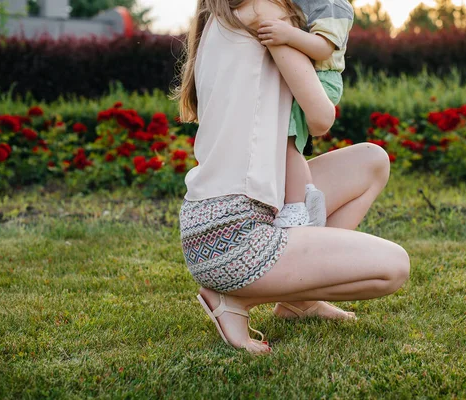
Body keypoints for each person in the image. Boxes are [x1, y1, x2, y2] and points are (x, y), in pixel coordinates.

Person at [174, 0, 410, 354]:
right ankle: (235, 299)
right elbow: (321, 118)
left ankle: (299, 302)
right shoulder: (266, 12)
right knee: (394, 266)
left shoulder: (216, 20)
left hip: (207, 224)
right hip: (236, 235)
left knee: (371, 161)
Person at [259, 0, 354, 228]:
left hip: (323, 80)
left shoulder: (333, 5)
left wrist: (287, 34)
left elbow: (323, 48)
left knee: (291, 140)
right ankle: (307, 191)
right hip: (310, 74)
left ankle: (296, 206)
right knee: (289, 139)